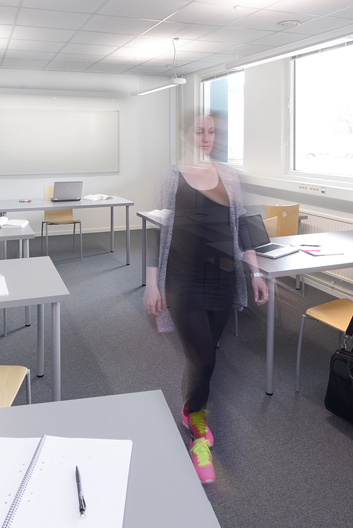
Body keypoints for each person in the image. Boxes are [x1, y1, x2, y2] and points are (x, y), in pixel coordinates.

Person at [143, 111, 269, 484]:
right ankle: (198, 432)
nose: (206, 137)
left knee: (205, 355)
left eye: (211, 131)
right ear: (185, 134)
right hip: (182, 279)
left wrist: (256, 272)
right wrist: (152, 283)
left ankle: (190, 408)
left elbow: (242, 224)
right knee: (204, 357)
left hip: (223, 277)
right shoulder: (170, 176)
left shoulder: (228, 175)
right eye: (199, 131)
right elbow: (155, 230)